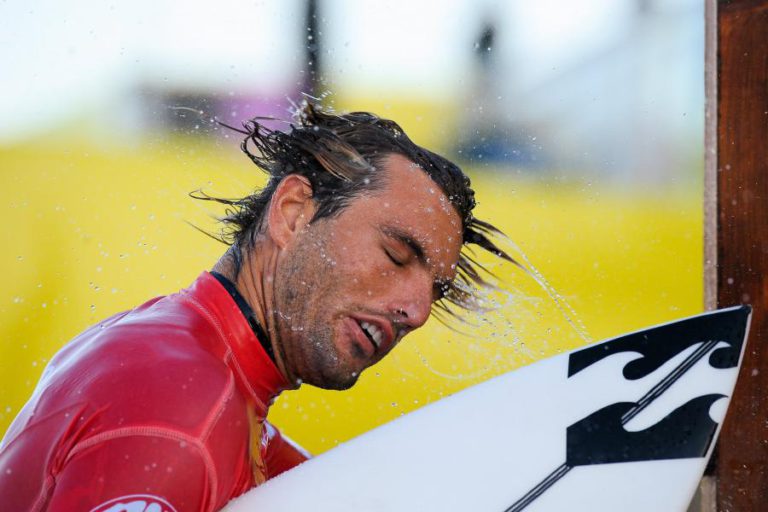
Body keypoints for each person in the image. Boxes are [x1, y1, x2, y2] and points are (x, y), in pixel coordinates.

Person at [0, 103, 511, 511]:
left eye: (435, 291)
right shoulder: (183, 409)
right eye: (396, 255)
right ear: (292, 214)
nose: (417, 312)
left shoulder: (193, 366)